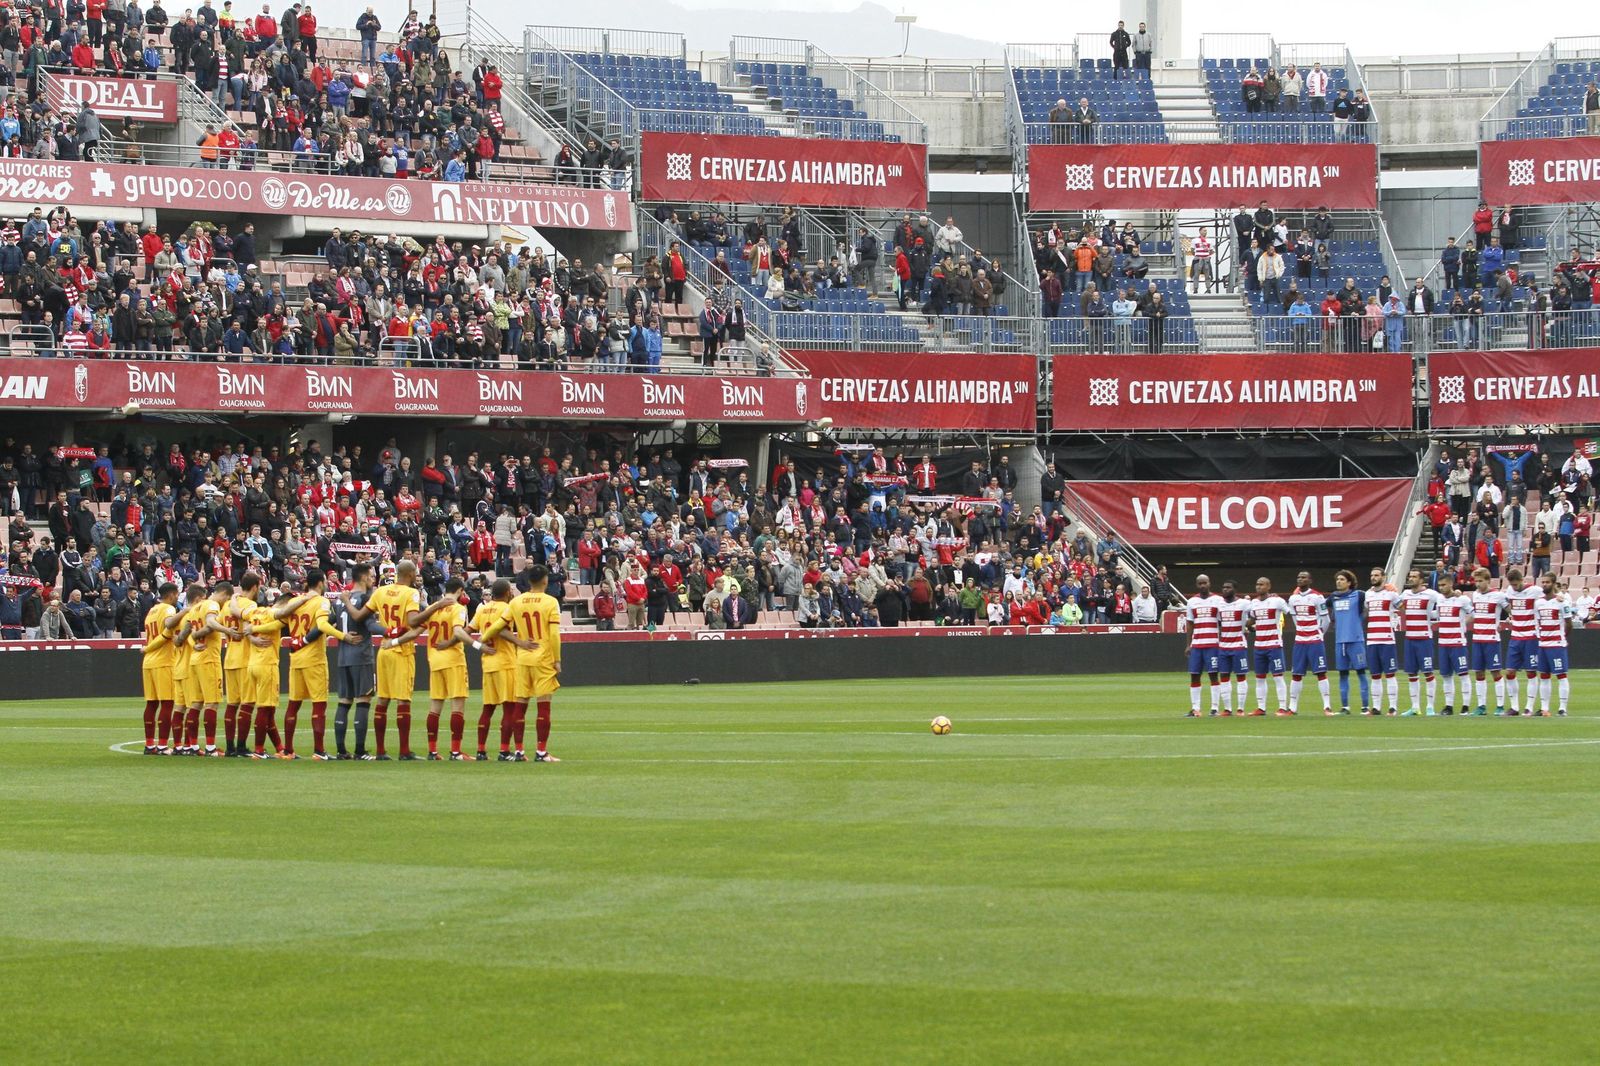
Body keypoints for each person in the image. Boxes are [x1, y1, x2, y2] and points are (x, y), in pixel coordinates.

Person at [367, 559, 448, 760]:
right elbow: (412, 621)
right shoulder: (411, 593)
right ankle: (404, 751)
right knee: (403, 700)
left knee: (383, 699)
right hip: (401, 650)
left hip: (384, 649)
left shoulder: (380, 591)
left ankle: (380, 751)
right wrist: (434, 607)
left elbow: (365, 616)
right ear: (411, 574)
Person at [272, 569, 342, 759]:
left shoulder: (295, 602)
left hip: (295, 658)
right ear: (320, 583)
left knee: (293, 705)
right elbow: (322, 625)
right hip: (314, 659)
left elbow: (278, 617)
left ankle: (288, 750)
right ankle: (319, 751)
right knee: (319, 705)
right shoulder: (321, 601)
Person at [504, 563, 562, 762]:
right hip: (543, 657)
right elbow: (554, 635)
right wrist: (557, 659)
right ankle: (541, 752)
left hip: (522, 658)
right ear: (545, 580)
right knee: (543, 705)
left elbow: (498, 628)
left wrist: (519, 642)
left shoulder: (516, 602)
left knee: (520, 705)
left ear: (529, 581)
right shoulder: (550, 602)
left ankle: (519, 751)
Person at [419, 576, 477, 760]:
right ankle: (455, 751)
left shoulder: (432, 608)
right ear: (460, 591)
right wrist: (478, 645)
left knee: (435, 707)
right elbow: (459, 631)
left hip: (434, 660)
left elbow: (416, 629)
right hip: (453, 660)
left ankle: (432, 751)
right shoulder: (458, 608)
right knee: (457, 707)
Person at [332, 562, 383, 759]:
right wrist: (391, 632)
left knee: (344, 701)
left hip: (343, 655)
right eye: (371, 577)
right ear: (363, 578)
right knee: (363, 700)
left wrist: (341, 636)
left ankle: (341, 751)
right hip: (361, 655)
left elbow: (326, 623)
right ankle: (360, 751)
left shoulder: (339, 600)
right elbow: (370, 625)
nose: (373, 580)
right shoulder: (364, 599)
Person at [139, 581, 182, 755]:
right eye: (177, 594)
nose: (177, 597)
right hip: (164, 661)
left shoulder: (151, 611)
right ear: (171, 594)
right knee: (168, 702)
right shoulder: (168, 609)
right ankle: (163, 745)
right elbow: (169, 625)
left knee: (151, 704)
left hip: (149, 662)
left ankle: (150, 744)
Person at [222, 572, 261, 756]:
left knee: (231, 704)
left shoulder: (226, 606)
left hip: (229, 658)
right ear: (255, 587)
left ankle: (229, 747)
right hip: (246, 659)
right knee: (247, 704)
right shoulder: (251, 605)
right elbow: (249, 627)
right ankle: (241, 746)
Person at [1397, 569, 1441, 716]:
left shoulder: (1431, 594)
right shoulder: (1405, 594)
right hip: (1410, 638)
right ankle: (1415, 707)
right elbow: (1399, 607)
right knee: (1412, 674)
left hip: (1424, 638)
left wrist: (1434, 615)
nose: (1411, 579)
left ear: (1422, 580)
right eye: (1410, 576)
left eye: (1415, 577)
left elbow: (1445, 602)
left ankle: (1430, 707)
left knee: (1428, 672)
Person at [1179, 574, 1224, 718]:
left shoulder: (1218, 600)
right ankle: (1195, 709)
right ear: (1197, 585)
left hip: (1213, 644)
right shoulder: (1192, 601)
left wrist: (1223, 641)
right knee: (1194, 676)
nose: (1202, 585)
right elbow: (1190, 623)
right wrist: (1188, 644)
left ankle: (1214, 708)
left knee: (1213, 675)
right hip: (1197, 644)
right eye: (1200, 583)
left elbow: (1222, 622)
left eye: (1205, 582)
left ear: (1209, 583)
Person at [1327, 570, 1370, 715]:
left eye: (1342, 579)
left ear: (1349, 582)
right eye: (1337, 579)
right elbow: (1321, 606)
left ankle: (1365, 707)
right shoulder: (1333, 597)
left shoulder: (1359, 595)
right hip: (1340, 641)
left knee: (1361, 673)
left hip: (1356, 640)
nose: (1339, 581)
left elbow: (1373, 597)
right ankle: (1345, 707)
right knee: (1343, 674)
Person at [1287, 571, 1331, 715]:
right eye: (1299, 577)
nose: (1300, 579)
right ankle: (1292, 707)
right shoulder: (1293, 599)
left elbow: (1326, 620)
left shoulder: (1317, 597)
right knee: (1296, 674)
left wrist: (1318, 634)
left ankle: (1327, 706)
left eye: (1304, 577)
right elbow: (1295, 619)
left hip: (1315, 641)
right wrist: (1301, 631)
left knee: (1321, 673)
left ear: (1310, 580)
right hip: (1300, 641)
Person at [1502, 567, 1543, 715]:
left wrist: (1559, 597)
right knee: (1509, 672)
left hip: (1531, 636)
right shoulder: (1509, 591)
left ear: (1522, 580)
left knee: (1531, 672)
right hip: (1515, 636)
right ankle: (1514, 707)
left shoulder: (1535, 590)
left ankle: (1529, 707)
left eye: (1516, 584)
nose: (1514, 587)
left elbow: (1549, 596)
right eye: (1512, 584)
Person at [1247, 577, 1290, 715]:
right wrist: (1248, 626)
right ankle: (1261, 708)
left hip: (1274, 645)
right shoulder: (1253, 603)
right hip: (1259, 645)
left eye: (1262, 584)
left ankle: (1283, 707)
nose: (1259, 587)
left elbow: (1289, 612)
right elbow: (1252, 620)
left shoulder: (1277, 601)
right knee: (1260, 677)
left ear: (1269, 586)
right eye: (1257, 584)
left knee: (1278, 676)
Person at [1532, 571, 1573, 716]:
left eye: (1547, 582)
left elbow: (1569, 623)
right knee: (1544, 676)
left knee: (1561, 675)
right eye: (1543, 582)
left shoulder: (1562, 602)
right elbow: (1537, 622)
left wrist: (1561, 637)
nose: (1544, 584)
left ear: (1554, 584)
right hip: (1543, 644)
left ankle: (1562, 708)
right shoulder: (1538, 603)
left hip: (1556, 645)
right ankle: (1544, 708)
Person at [1467, 567, 1507, 716]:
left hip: (1491, 639)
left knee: (1496, 672)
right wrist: (1463, 623)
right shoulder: (1475, 595)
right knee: (1478, 673)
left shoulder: (1498, 596)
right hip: (1477, 639)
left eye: (1480, 581)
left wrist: (1508, 620)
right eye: (1476, 581)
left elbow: (1511, 609)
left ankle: (1500, 706)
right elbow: (1474, 615)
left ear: (1488, 581)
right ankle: (1481, 706)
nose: (1477, 584)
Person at [1433, 574, 1472, 716]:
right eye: (1440, 585)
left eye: (1444, 585)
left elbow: (1472, 614)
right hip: (1443, 643)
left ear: (1451, 584)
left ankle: (1465, 706)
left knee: (1463, 674)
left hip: (1457, 643)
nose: (1441, 588)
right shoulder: (1439, 599)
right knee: (1446, 676)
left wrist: (1463, 624)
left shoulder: (1462, 599)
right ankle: (1448, 706)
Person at [1364, 569, 1400, 716]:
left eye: (1376, 575)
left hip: (1387, 639)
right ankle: (1376, 708)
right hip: (1372, 639)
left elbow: (1402, 606)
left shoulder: (1392, 594)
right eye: (1372, 575)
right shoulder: (1368, 594)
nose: (1373, 577)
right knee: (1375, 675)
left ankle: (1393, 708)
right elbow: (1367, 610)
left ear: (1384, 577)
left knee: (1390, 674)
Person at [1215, 581, 1253, 716]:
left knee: (1241, 676)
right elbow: (1219, 623)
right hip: (1224, 646)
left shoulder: (1244, 603)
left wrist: (1249, 626)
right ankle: (1227, 709)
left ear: (1235, 589)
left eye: (1228, 587)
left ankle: (1240, 709)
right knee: (1224, 675)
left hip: (1239, 645)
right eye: (1223, 587)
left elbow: (1255, 613)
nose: (1225, 589)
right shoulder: (1219, 605)